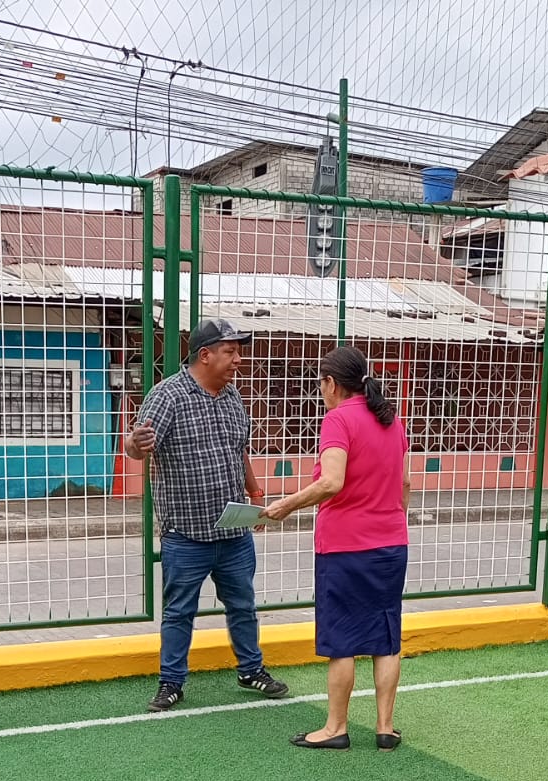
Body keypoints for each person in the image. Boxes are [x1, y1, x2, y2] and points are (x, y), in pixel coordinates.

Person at [126, 318, 288, 711]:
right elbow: (136, 446)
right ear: (205, 355)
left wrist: (255, 495)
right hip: (186, 534)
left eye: (238, 352)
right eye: (230, 352)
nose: (238, 360)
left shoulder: (233, 397)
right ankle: (171, 682)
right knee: (179, 611)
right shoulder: (167, 396)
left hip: (234, 533)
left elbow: (239, 450)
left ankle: (251, 670)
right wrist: (134, 443)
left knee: (243, 605)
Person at [262, 345, 410, 750]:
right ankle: (385, 728)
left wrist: (285, 506)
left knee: (342, 640)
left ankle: (335, 728)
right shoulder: (392, 420)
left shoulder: (338, 420)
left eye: (320, 383)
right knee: (386, 637)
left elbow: (331, 481)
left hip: (345, 546)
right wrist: (391, 520)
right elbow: (405, 484)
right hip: (391, 544)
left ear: (331, 383)